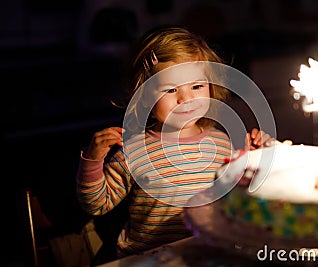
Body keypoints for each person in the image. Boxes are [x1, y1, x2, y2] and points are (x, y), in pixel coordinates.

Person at [75, 25, 275, 262]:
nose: (186, 99)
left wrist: (253, 160)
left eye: (197, 86)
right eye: (171, 89)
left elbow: (240, 201)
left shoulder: (222, 143)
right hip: (146, 258)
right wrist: (93, 158)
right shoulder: (133, 151)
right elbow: (97, 204)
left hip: (205, 253)